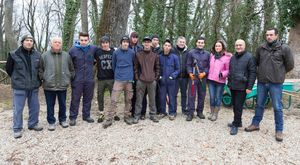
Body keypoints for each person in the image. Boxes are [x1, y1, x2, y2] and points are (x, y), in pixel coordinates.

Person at [245, 28, 294, 142]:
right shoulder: (261, 48)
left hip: (276, 83)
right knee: (259, 104)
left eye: (271, 35)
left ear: (277, 35)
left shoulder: (284, 48)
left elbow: (290, 65)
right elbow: (256, 63)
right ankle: (255, 124)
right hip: (262, 82)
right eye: (267, 35)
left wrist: (279, 73)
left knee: (277, 107)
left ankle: (279, 130)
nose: (269, 37)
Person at [5, 34, 43, 138]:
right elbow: (9, 69)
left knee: (35, 107)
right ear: (22, 42)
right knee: (18, 108)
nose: (29, 42)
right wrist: (17, 79)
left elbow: (40, 69)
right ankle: (17, 128)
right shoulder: (13, 54)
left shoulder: (38, 55)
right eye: (27, 40)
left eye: (31, 40)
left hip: (34, 86)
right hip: (19, 87)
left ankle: (33, 124)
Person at [39, 37, 75, 131]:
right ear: (51, 43)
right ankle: (51, 122)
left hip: (63, 85)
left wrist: (69, 78)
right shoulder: (44, 55)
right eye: (55, 42)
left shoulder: (66, 55)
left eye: (59, 42)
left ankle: (62, 120)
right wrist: (44, 78)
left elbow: (71, 69)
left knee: (63, 104)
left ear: (61, 44)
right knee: (50, 105)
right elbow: (40, 69)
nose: (57, 43)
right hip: (49, 85)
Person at [102, 35, 136, 128]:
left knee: (128, 99)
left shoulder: (132, 53)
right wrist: (118, 74)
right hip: (118, 80)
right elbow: (113, 65)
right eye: (123, 42)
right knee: (114, 99)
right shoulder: (116, 53)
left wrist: (130, 75)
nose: (125, 43)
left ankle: (127, 116)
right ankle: (109, 118)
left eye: (127, 42)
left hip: (129, 80)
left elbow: (134, 65)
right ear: (121, 43)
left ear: (128, 43)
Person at [227, 39, 256, 135]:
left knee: (238, 106)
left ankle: (235, 125)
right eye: (237, 45)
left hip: (242, 86)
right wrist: (229, 83)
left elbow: (253, 73)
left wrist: (250, 87)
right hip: (233, 85)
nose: (238, 47)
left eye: (240, 45)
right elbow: (231, 71)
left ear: (244, 46)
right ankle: (238, 122)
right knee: (235, 105)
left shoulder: (250, 57)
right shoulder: (233, 57)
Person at [68, 32, 97, 126]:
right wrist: (72, 76)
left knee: (88, 98)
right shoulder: (73, 50)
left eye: (85, 40)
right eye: (82, 40)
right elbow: (68, 64)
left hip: (89, 78)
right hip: (77, 79)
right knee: (75, 98)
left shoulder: (93, 49)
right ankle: (73, 117)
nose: (83, 42)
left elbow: (102, 53)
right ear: (79, 40)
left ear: (88, 40)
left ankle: (86, 115)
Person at [133, 36, 160, 124]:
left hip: (152, 81)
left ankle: (153, 115)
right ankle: (137, 115)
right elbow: (135, 68)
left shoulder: (155, 55)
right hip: (141, 81)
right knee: (139, 100)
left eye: (148, 42)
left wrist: (155, 78)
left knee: (152, 99)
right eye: (145, 42)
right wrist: (137, 78)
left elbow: (157, 68)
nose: (147, 43)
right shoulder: (138, 54)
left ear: (150, 43)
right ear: (143, 43)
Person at [94, 35, 120, 123]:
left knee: (113, 96)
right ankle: (101, 112)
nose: (105, 45)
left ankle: (114, 112)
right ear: (101, 44)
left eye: (106, 43)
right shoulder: (97, 52)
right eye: (103, 43)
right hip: (101, 79)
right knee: (100, 96)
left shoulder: (114, 51)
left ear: (109, 43)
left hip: (112, 78)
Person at [186, 37, 210, 121]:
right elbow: (188, 64)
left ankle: (200, 111)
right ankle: (190, 113)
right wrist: (189, 73)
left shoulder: (207, 54)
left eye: (202, 42)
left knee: (202, 95)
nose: (200, 44)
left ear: (204, 44)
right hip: (193, 78)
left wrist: (204, 73)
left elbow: (208, 66)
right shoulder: (191, 53)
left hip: (202, 78)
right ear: (196, 43)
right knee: (191, 95)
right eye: (199, 42)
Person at [207, 40, 232, 121]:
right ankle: (211, 112)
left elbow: (228, 70)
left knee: (218, 98)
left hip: (220, 81)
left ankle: (215, 114)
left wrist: (222, 74)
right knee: (211, 97)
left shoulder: (227, 57)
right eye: (216, 46)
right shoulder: (212, 56)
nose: (217, 47)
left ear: (222, 47)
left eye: (219, 46)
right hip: (211, 80)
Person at [158, 39, 180, 120]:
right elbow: (157, 69)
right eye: (165, 45)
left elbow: (178, 69)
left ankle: (172, 112)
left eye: (169, 46)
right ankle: (163, 112)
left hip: (171, 81)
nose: (167, 47)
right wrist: (160, 77)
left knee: (172, 97)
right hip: (162, 81)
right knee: (162, 97)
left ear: (170, 47)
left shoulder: (174, 57)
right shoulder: (159, 57)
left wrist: (172, 76)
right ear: (163, 46)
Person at [129, 32, 147, 119]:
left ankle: (142, 113)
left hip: (140, 74)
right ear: (130, 38)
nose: (135, 39)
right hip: (130, 73)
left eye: (136, 37)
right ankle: (133, 112)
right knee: (133, 95)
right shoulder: (127, 46)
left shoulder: (140, 48)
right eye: (133, 37)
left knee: (142, 94)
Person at [173, 36, 189, 115]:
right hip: (175, 77)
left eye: (183, 42)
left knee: (184, 94)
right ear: (177, 42)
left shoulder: (188, 52)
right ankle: (174, 110)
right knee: (174, 94)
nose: (182, 43)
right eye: (180, 42)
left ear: (185, 43)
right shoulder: (173, 51)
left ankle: (184, 109)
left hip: (185, 77)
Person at [151, 34, 162, 115]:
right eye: (154, 39)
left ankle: (158, 110)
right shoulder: (147, 49)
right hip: (148, 74)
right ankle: (143, 112)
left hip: (158, 74)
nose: (155, 41)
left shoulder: (160, 50)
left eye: (156, 40)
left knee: (158, 94)